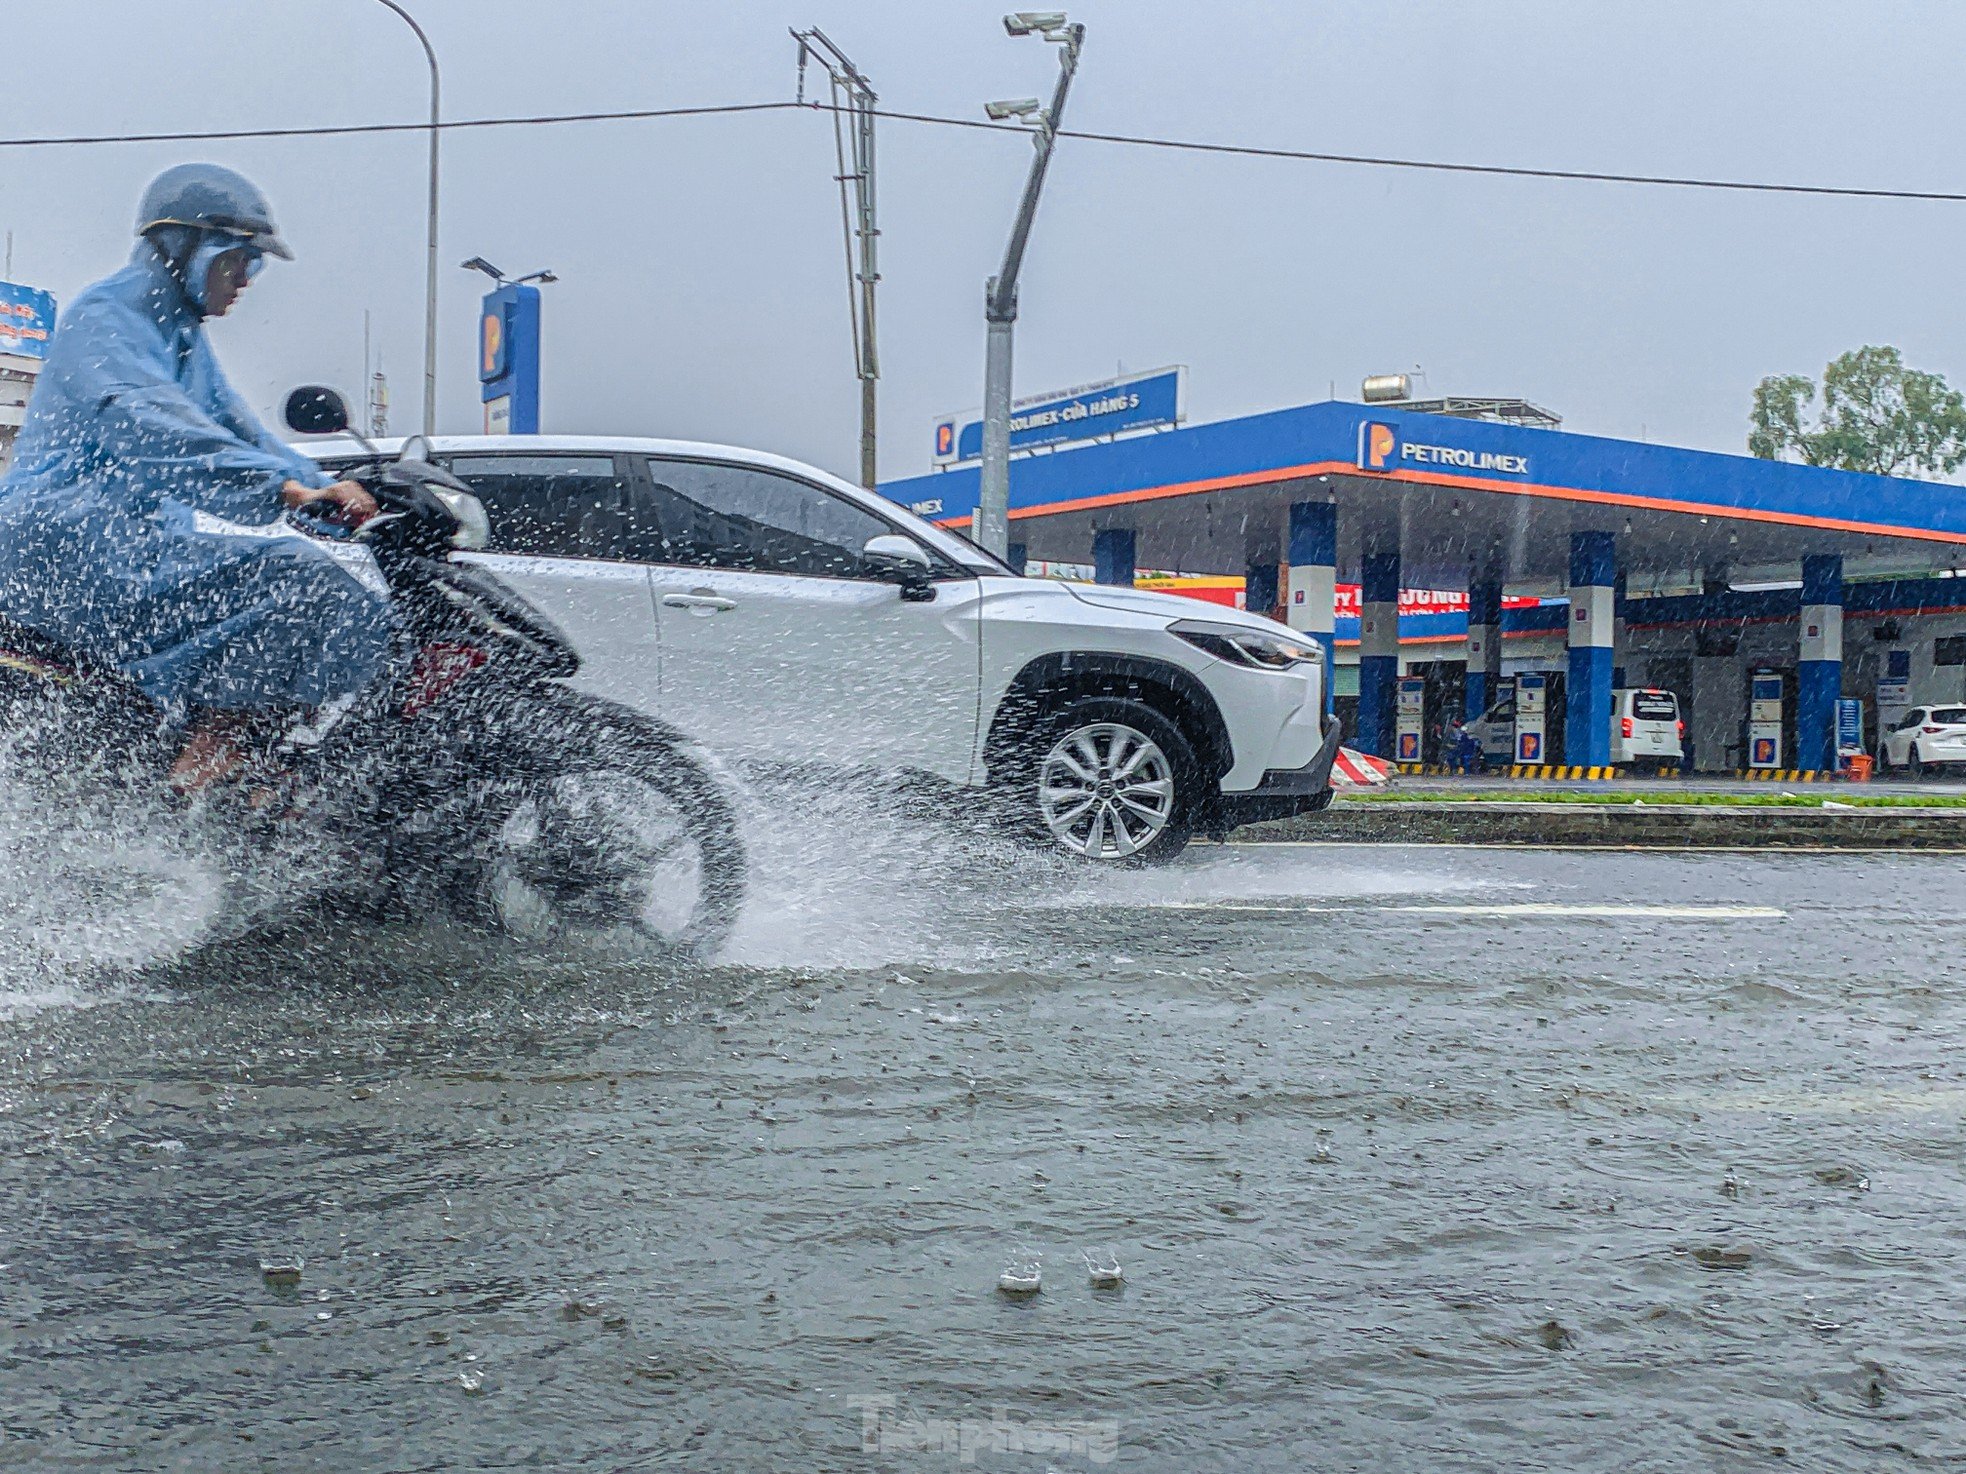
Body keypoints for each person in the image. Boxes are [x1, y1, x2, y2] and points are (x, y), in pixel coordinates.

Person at [0, 164, 394, 796]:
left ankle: (225, 767)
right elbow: (149, 424)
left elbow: (242, 434)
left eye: (252, 268)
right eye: (237, 262)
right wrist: (283, 491)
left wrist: (327, 484)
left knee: (326, 594)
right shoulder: (107, 314)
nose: (244, 282)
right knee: (303, 580)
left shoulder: (183, 338)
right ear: (184, 246)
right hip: (66, 546)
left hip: (127, 548)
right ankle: (208, 770)